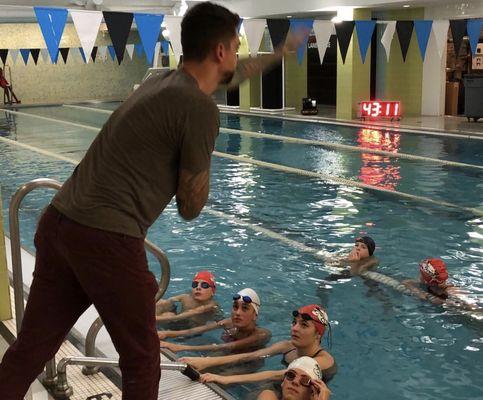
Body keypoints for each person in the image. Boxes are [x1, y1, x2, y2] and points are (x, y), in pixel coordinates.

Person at [0, 3, 302, 399]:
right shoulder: (200, 110)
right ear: (220, 51)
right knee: (142, 361)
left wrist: (278, 53)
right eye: (235, 45)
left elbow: (231, 75)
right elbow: (190, 207)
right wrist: (200, 153)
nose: (237, 54)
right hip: (107, 238)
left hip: (60, 220)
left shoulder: (160, 80)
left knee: (32, 347)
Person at [182, 304, 337, 385]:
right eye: (294, 323)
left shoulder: (323, 360)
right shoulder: (288, 346)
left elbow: (278, 374)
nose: (294, 328)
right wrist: (206, 361)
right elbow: (251, 355)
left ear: (318, 334)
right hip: (285, 384)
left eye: (303, 325)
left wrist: (226, 379)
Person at [159, 288, 271, 354]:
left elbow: (228, 346)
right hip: (226, 352)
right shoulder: (229, 323)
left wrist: (183, 347)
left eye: (245, 308)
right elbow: (198, 330)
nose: (237, 312)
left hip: (247, 363)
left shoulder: (261, 334)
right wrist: (167, 333)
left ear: (255, 315)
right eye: (235, 307)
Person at [257, 357, 331, 400]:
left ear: (312, 392)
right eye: (290, 375)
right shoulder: (268, 396)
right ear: (283, 382)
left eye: (304, 380)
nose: (295, 381)